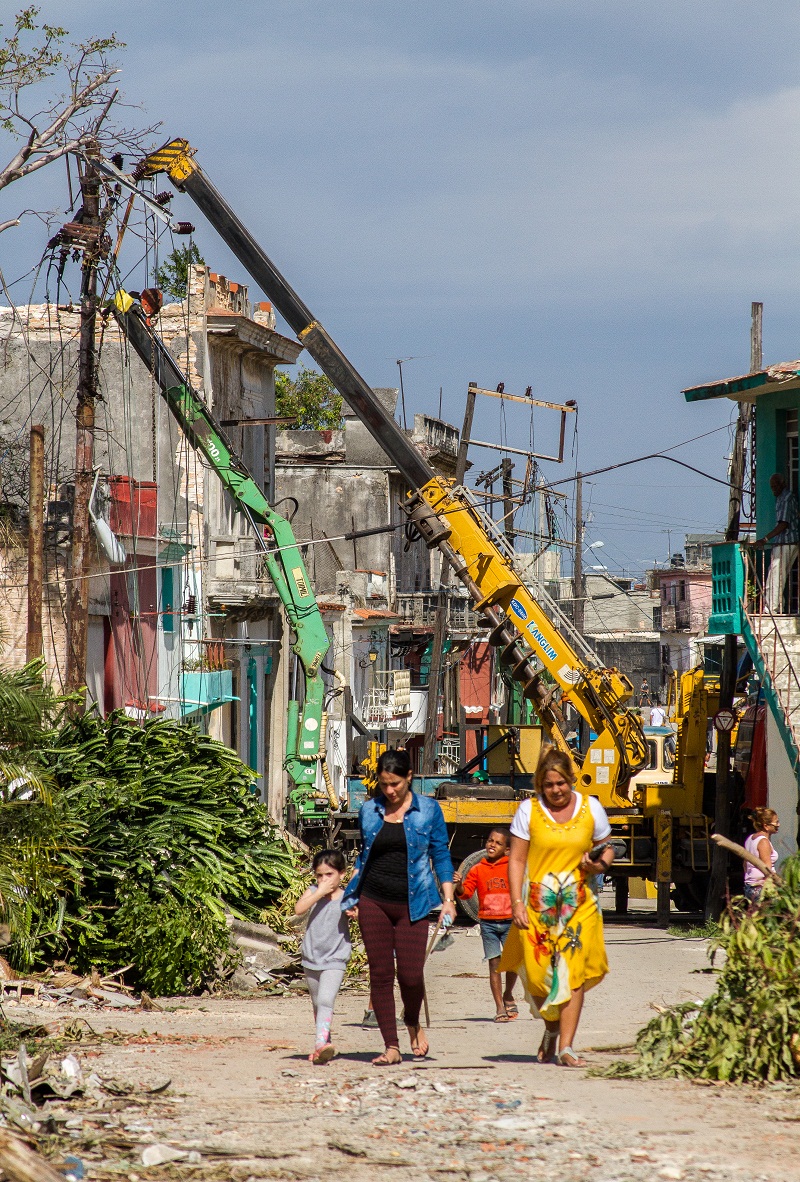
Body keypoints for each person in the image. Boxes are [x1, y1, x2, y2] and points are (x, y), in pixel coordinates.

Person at [499, 747, 615, 1068]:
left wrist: (598, 865)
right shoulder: (528, 811)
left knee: (572, 973)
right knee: (537, 976)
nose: (556, 790)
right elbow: (517, 859)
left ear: (571, 780)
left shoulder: (591, 808)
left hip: (580, 906)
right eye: (549, 785)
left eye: (561, 783)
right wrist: (517, 903)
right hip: (537, 903)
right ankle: (551, 1027)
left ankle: (566, 1047)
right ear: (540, 784)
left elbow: (606, 849)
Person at [342, 748, 455, 1065]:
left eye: (395, 784)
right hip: (373, 900)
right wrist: (351, 894)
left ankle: (413, 1021)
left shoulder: (428, 810)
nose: (389, 791)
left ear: (409, 778)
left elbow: (441, 857)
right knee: (379, 973)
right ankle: (391, 1046)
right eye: (383, 784)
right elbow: (364, 856)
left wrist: (448, 900)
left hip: (414, 902)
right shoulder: (369, 811)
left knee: (410, 975)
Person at [453, 827, 518, 1022]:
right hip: (488, 924)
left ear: (507, 850)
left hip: (510, 922)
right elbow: (466, 893)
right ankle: (499, 1008)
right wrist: (458, 884)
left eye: (498, 843)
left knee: (512, 965)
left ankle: (508, 994)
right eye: (490, 840)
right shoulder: (477, 869)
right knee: (494, 965)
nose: (492, 845)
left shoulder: (512, 868)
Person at [295, 848, 352, 1064]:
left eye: (329, 875)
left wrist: (355, 912)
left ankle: (319, 1045)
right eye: (319, 875)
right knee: (318, 1003)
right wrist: (318, 892)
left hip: (336, 957)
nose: (324, 879)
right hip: (311, 956)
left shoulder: (346, 897)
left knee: (327, 1000)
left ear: (342, 874)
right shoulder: (313, 892)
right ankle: (324, 1042)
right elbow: (299, 908)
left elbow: (360, 913)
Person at [757, 473, 800, 613]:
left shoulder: (786, 498)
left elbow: (783, 524)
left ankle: (772, 608)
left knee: (775, 574)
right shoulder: (781, 498)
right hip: (784, 542)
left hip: (788, 541)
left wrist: (765, 539)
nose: (773, 489)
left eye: (775, 486)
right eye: (772, 487)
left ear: (782, 485)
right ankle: (777, 606)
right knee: (778, 575)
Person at [743, 807, 780, 903]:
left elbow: (745, 864)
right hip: (761, 888)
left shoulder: (751, 838)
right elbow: (767, 869)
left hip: (750, 886)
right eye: (776, 822)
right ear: (766, 826)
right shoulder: (763, 842)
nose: (778, 825)